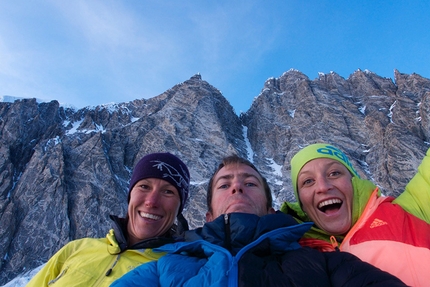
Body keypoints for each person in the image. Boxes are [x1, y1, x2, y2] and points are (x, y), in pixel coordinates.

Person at [111, 155, 406, 287]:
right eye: (224, 185)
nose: (237, 187)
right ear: (209, 216)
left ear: (269, 209)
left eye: (249, 183)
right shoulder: (162, 270)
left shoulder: (325, 264)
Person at [26, 152, 190, 287]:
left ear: (179, 207)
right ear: (130, 194)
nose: (152, 202)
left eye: (168, 191)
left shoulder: (177, 272)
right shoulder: (75, 249)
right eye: (144, 186)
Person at [280, 143, 430, 287]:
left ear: (354, 182)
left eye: (334, 173)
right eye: (308, 181)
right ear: (302, 204)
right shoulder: (290, 256)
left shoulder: (410, 211)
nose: (323, 187)